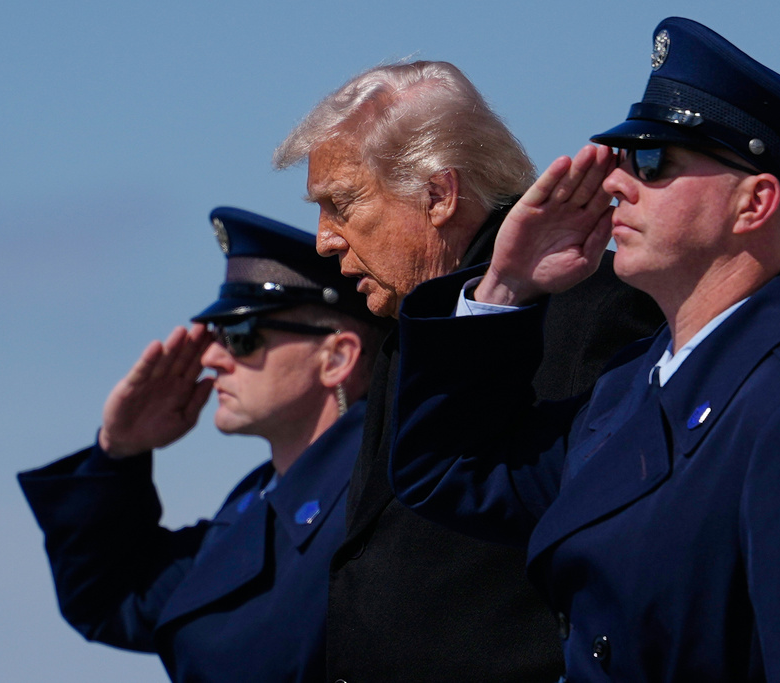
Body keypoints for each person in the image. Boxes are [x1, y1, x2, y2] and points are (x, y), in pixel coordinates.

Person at [389, 18, 780, 681]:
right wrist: (505, 286)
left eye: (653, 162)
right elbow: (449, 470)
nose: (616, 184)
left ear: (754, 203)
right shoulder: (632, 390)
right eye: (624, 159)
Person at [273, 61, 664, 681]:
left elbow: (625, 563)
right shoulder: (411, 331)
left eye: (342, 204)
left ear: (439, 195)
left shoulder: (598, 310)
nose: (324, 240)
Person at [18, 207, 387, 683]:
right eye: (215, 335)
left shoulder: (384, 500)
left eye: (240, 336)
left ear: (336, 357)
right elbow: (112, 600)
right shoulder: (255, 505)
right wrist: (118, 453)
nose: (212, 357)